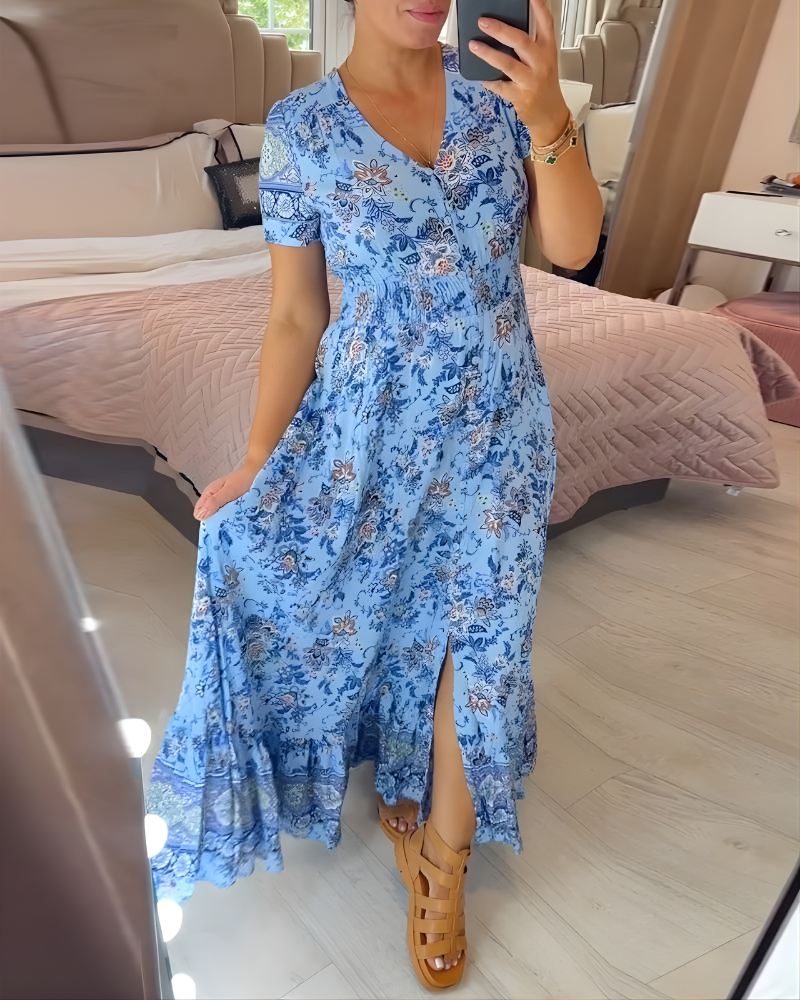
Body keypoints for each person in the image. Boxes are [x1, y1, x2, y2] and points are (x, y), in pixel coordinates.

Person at [146, 0, 602, 988]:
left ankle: (444, 861)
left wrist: (548, 114)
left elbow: (573, 249)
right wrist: (258, 457)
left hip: (500, 428)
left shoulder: (503, 100)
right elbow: (294, 314)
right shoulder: (301, 128)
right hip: (367, 430)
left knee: (484, 642)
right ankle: (400, 770)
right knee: (370, 602)